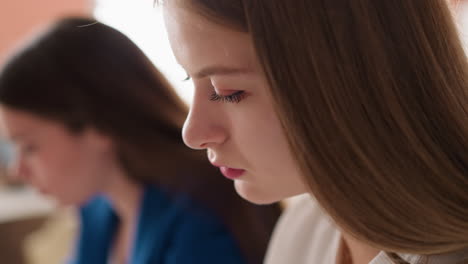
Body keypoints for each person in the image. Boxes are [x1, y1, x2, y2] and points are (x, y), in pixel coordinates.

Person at [159, 0, 468, 263]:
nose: (193, 133)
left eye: (228, 91)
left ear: (349, 76)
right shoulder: (301, 230)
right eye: (189, 78)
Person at [0, 17, 281, 264]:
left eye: (29, 147)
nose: (18, 170)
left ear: (98, 125)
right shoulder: (98, 207)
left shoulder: (204, 219)